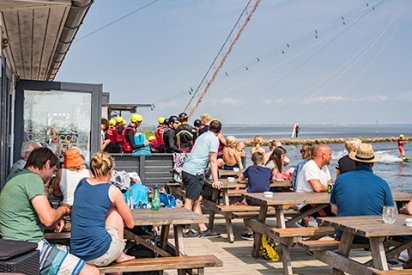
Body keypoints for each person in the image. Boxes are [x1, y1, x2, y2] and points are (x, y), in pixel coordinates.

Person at [0, 147, 99, 274]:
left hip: (12, 246)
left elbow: (41, 215)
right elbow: (48, 220)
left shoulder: (17, 176)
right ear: (47, 164)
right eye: (53, 170)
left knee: (77, 254)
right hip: (29, 248)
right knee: (91, 271)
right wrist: (64, 209)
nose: (52, 175)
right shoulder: (32, 179)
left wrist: (56, 216)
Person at [71, 152, 135, 267]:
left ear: (91, 169)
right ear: (111, 171)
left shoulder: (81, 183)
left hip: (78, 252)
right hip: (99, 254)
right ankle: (120, 255)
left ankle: (117, 258)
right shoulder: (112, 191)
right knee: (115, 213)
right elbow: (130, 224)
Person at [330, 143, 394, 243]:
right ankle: (393, 257)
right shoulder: (382, 183)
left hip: (344, 234)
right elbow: (390, 212)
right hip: (373, 236)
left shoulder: (340, 180)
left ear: (354, 161)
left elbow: (334, 210)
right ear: (372, 163)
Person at [181, 119, 223, 238]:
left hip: (188, 169)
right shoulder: (214, 139)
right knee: (189, 200)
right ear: (219, 131)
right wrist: (215, 180)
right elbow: (213, 160)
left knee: (197, 199)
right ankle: (185, 229)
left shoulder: (202, 136)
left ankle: (203, 228)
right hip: (194, 172)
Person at [295, 144, 334, 225]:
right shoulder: (310, 166)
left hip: (320, 202)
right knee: (330, 218)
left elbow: (331, 184)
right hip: (306, 203)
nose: (331, 157)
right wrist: (328, 187)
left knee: (341, 211)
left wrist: (327, 187)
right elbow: (318, 188)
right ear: (323, 155)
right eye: (330, 154)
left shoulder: (324, 167)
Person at [237, 152, 272, 240]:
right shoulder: (268, 170)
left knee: (244, 208)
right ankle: (259, 229)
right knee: (259, 209)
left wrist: (247, 181)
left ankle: (249, 231)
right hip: (264, 199)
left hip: (252, 199)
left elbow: (239, 178)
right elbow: (272, 180)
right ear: (263, 160)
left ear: (252, 160)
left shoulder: (250, 169)